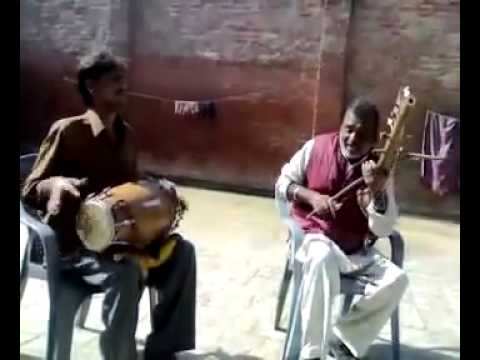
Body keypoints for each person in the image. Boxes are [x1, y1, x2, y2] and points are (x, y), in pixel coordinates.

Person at [21, 50, 196, 360]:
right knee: (126, 272)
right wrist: (56, 184)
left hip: (119, 241)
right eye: (115, 79)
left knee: (183, 252)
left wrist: (156, 191)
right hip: (75, 248)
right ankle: (119, 354)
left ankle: (163, 349)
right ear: (91, 85)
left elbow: (128, 187)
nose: (123, 84)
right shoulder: (68, 131)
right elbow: (30, 188)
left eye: (124, 79)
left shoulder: (127, 135)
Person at [276, 98, 408, 360]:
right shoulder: (316, 147)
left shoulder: (380, 170)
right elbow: (282, 183)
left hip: (353, 251)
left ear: (374, 139)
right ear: (341, 126)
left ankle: (343, 341)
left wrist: (377, 193)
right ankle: (312, 354)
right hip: (315, 239)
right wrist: (312, 197)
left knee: (397, 280)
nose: (352, 138)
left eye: (362, 134)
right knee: (321, 256)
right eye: (348, 129)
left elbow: (382, 229)